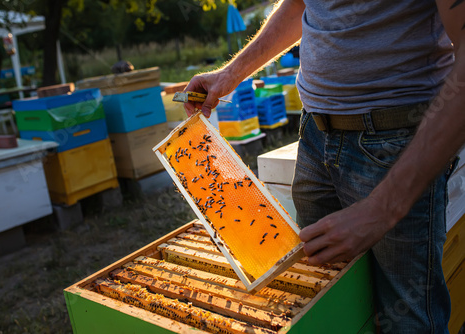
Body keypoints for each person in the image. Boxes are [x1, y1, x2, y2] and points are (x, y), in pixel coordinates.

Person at [184, 0, 465, 332]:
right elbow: (301, 6)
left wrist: (382, 208)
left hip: (396, 143)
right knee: (324, 302)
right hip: (314, 136)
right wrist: (230, 74)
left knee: (408, 320)